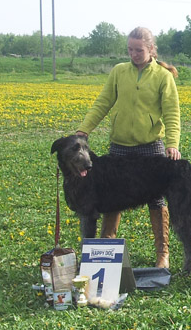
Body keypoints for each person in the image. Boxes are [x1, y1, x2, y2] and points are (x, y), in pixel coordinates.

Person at [76, 26, 180, 269]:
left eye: (139, 50)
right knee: (111, 196)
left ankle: (162, 253)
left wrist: (172, 144)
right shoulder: (119, 72)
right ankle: (105, 249)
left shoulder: (163, 77)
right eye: (130, 50)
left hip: (151, 147)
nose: (133, 54)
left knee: (156, 200)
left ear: (151, 49)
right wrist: (84, 129)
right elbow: (103, 102)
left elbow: (172, 113)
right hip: (120, 147)